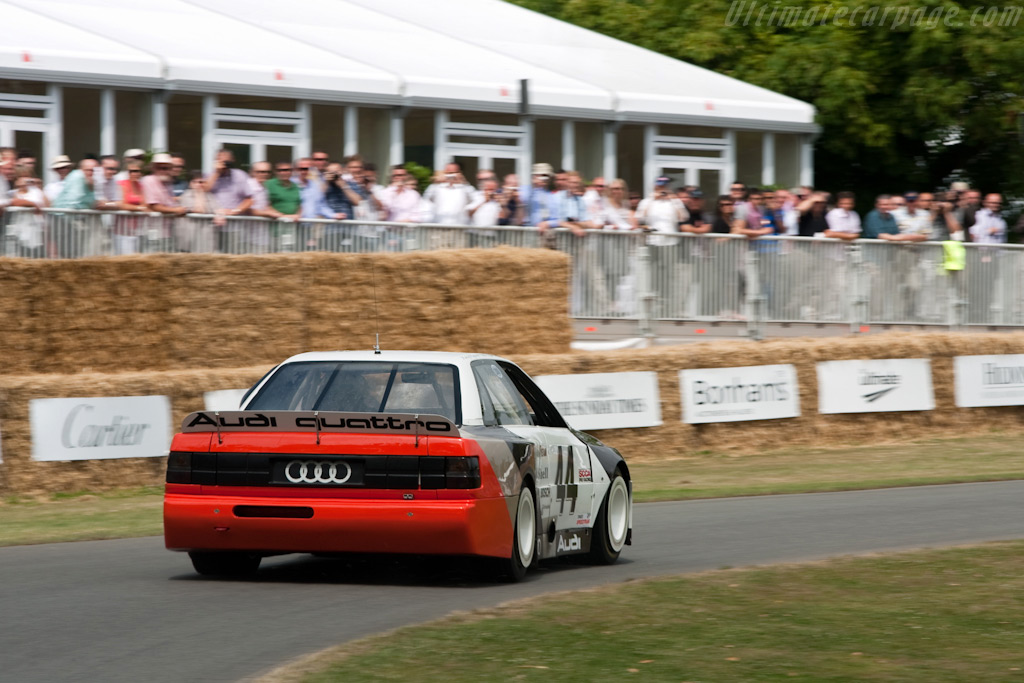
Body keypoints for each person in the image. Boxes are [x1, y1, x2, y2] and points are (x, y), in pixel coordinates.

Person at [177, 170, 223, 252]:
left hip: (207, 239)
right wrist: (200, 193)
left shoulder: (210, 196)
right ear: (191, 184)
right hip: (190, 238)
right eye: (196, 182)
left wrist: (219, 215)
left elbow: (218, 209)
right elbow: (199, 210)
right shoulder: (186, 195)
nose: (199, 184)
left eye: (202, 182)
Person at [5, 174, 47, 257]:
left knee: (35, 253)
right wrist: (30, 203)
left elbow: (40, 204)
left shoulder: (36, 191)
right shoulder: (13, 193)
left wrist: (28, 203)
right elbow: (13, 202)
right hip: (19, 230)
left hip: (34, 229)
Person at [522, 163, 553, 227]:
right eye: (542, 175)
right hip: (528, 229)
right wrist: (534, 185)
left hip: (544, 231)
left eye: (546, 176)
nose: (544, 178)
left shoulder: (550, 194)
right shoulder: (526, 189)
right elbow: (524, 200)